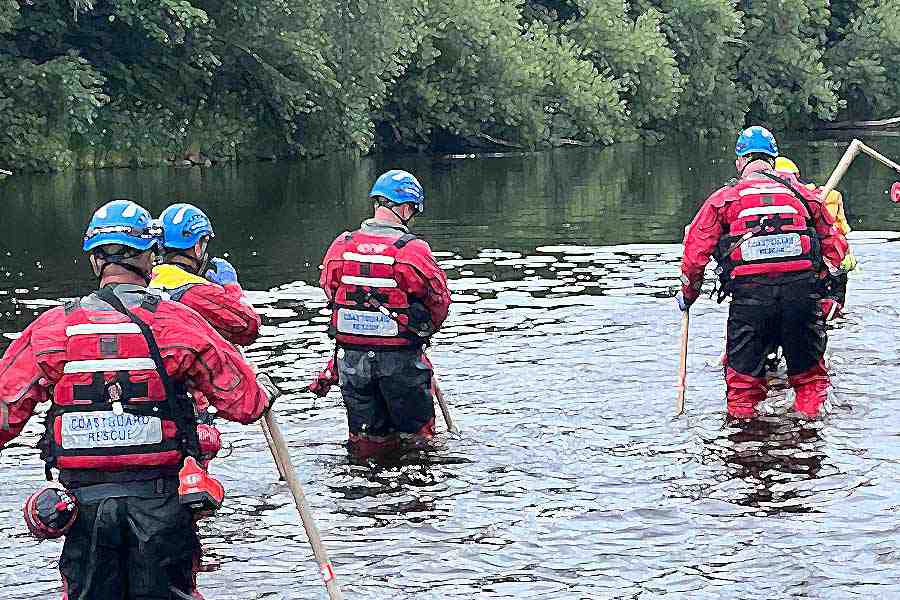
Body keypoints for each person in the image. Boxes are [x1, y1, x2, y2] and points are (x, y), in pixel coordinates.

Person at [0, 199, 277, 600]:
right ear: (150, 256)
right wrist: (265, 389)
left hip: (82, 511)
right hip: (162, 505)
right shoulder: (175, 321)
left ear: (95, 261)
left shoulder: (54, 328)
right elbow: (246, 403)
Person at [677, 127, 848, 419]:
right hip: (801, 299)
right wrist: (826, 292)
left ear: (740, 162)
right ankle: (810, 441)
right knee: (810, 384)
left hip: (750, 302)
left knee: (743, 390)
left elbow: (694, 256)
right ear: (774, 159)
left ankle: (744, 447)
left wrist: (688, 295)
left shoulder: (725, 199)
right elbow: (837, 251)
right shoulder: (806, 196)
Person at [316, 170, 451, 456]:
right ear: (404, 207)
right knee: (418, 443)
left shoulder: (341, 245)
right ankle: (413, 492)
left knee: (366, 442)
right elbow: (439, 301)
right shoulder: (412, 251)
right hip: (401, 363)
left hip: (352, 363)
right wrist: (422, 330)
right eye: (412, 210)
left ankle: (366, 490)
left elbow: (331, 290)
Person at [151, 203, 260, 347]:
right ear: (197, 246)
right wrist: (232, 288)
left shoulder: (147, 279)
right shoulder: (199, 291)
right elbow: (249, 328)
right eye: (205, 242)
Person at [775, 156, 856, 315]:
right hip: (820, 272)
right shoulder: (822, 197)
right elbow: (841, 236)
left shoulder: (822, 199)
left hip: (814, 273)